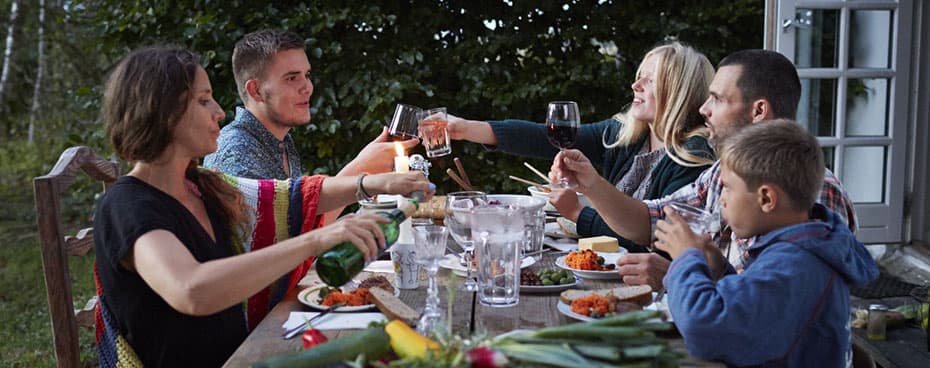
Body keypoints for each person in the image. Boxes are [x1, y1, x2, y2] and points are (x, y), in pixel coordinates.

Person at [93, 47, 432, 367]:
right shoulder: (127, 206)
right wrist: (317, 239)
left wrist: (375, 183)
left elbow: (292, 197)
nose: (219, 112)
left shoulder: (202, 185)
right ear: (163, 113)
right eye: (203, 100)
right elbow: (191, 290)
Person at [552, 49, 858, 289]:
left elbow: (784, 308)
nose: (703, 109)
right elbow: (651, 221)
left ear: (759, 111)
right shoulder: (720, 174)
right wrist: (591, 183)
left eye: (718, 99)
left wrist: (679, 276)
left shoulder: (813, 192)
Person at [447, 42, 715, 253]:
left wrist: (577, 213)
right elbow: (542, 137)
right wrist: (466, 129)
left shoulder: (693, 156)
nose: (635, 85)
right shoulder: (623, 134)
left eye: (650, 80)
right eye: (638, 77)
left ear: (680, 90)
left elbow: (651, 241)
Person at [654, 120, 878, 366]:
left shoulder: (795, 265)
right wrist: (719, 269)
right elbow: (757, 313)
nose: (722, 200)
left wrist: (686, 258)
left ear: (766, 198)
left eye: (728, 188)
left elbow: (705, 329)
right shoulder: (802, 249)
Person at [202, 30, 418, 218]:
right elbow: (272, 246)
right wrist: (362, 168)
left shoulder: (282, 142)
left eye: (307, 75)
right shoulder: (235, 151)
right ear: (255, 90)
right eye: (292, 78)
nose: (307, 87)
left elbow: (300, 225)